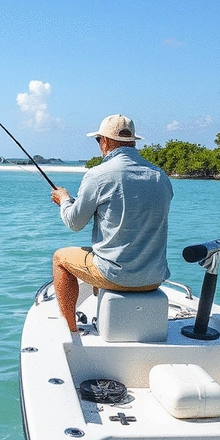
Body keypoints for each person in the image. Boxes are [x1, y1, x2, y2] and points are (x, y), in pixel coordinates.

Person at [50, 114, 173, 332]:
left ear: (105, 141)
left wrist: (64, 200)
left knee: (60, 258)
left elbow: (74, 223)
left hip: (116, 276)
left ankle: (71, 329)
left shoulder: (98, 175)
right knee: (104, 250)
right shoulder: (160, 176)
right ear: (133, 141)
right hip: (154, 277)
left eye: (98, 140)